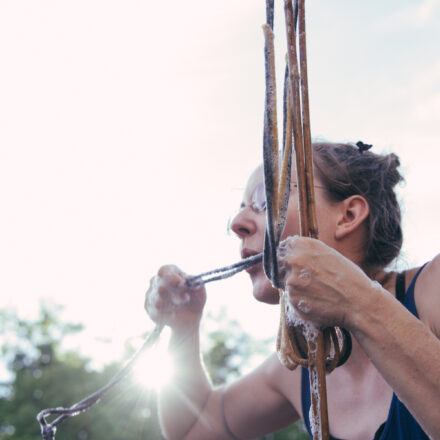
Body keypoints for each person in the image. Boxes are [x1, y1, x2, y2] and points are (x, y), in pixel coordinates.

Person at [144, 142, 440, 440]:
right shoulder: (298, 366)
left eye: (266, 198)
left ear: (348, 215)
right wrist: (183, 329)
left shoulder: (433, 289)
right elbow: (190, 431)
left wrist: (357, 302)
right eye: (240, 209)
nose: (238, 223)